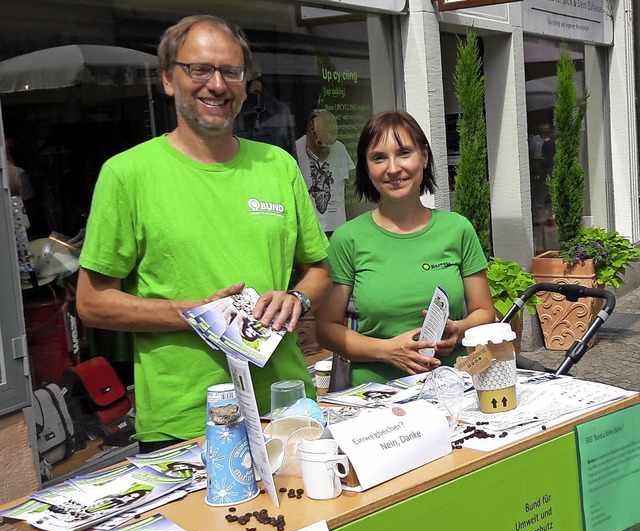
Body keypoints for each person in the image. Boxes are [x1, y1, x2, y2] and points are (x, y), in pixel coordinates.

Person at [76, 15, 331, 453]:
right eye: (199, 69)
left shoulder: (278, 165)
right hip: (186, 418)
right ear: (168, 79)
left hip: (285, 406)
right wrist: (195, 314)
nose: (217, 84)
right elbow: (92, 303)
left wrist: (298, 298)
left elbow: (318, 272)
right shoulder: (127, 175)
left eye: (231, 72)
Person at [315, 110, 495, 387]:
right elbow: (326, 330)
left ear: (423, 156)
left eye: (404, 153)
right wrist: (386, 351)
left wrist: (457, 330)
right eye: (378, 157)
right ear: (365, 167)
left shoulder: (457, 229)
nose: (393, 168)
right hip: (377, 394)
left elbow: (484, 311)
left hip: (456, 385)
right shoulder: (348, 238)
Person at [296, 109, 355, 233]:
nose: (320, 142)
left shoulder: (339, 148)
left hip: (336, 228)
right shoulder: (296, 149)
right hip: (309, 229)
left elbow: (349, 184)